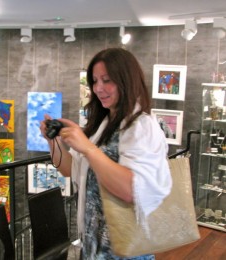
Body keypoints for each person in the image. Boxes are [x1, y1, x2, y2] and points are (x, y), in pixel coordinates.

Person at [40, 48, 172, 260]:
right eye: (94, 81)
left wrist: (88, 149)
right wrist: (53, 141)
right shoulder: (103, 125)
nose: (98, 88)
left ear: (126, 81)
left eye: (107, 80)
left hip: (124, 249)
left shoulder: (141, 126)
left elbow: (133, 190)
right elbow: (70, 170)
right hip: (93, 243)